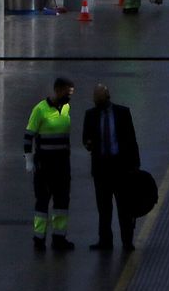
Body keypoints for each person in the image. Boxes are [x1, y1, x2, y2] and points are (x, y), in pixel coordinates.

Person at [82, 84, 142, 251]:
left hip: (120, 167)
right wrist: (88, 143)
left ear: (107, 98)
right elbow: (85, 137)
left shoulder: (122, 113)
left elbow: (131, 139)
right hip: (101, 168)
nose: (97, 104)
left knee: (124, 207)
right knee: (103, 207)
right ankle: (105, 240)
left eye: (99, 100)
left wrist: (135, 164)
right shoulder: (91, 115)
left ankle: (127, 241)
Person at [25, 77, 76, 252]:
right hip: (44, 167)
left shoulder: (67, 108)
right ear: (57, 90)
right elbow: (28, 136)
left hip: (62, 166)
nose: (69, 97)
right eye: (67, 93)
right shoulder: (40, 110)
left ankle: (59, 238)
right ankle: (39, 239)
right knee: (42, 202)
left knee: (62, 202)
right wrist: (29, 161)